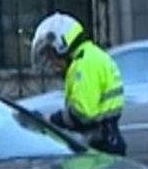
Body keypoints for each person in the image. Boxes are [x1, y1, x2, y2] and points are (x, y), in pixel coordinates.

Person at [30, 11, 127, 156]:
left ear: (61, 45)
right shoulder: (93, 55)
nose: (52, 63)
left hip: (99, 148)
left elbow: (82, 115)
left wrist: (48, 120)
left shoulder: (83, 64)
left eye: (50, 55)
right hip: (108, 140)